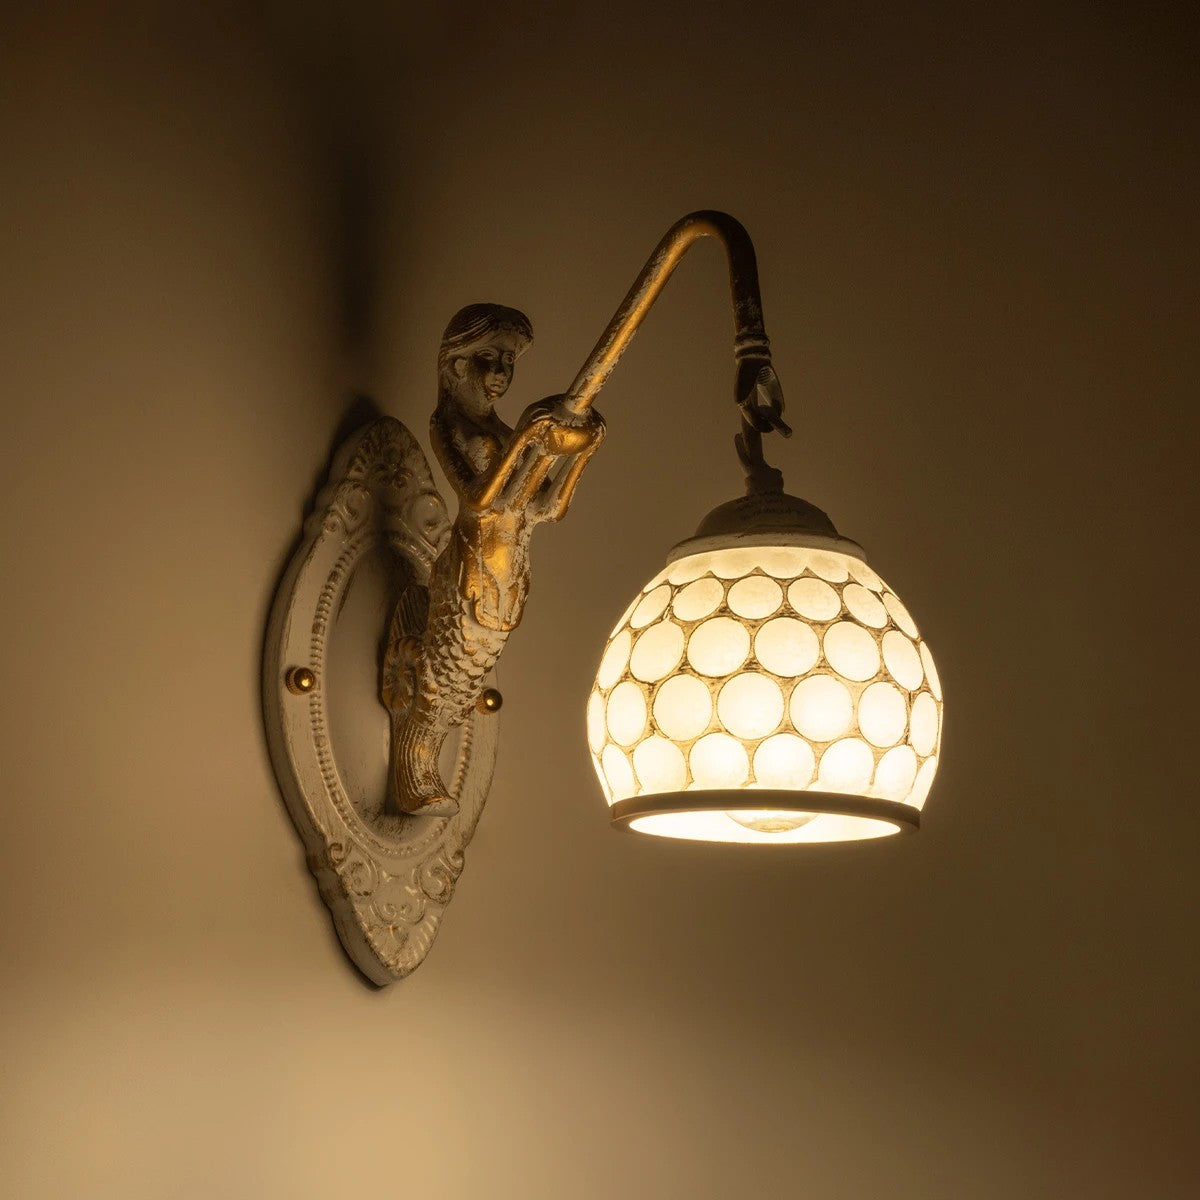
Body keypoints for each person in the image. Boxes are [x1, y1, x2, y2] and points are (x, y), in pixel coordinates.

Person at [384, 304, 604, 816]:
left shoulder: (505, 432)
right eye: (491, 357)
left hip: (511, 570)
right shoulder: (447, 425)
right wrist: (529, 436)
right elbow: (480, 499)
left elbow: (548, 508)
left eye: (509, 360)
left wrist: (584, 451)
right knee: (452, 664)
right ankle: (416, 761)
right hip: (473, 565)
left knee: (475, 664)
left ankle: (423, 755)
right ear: (457, 363)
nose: (503, 371)